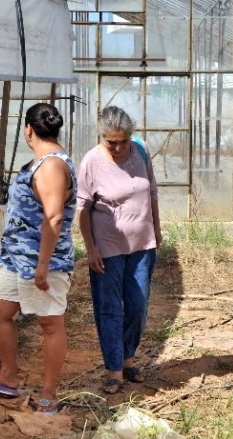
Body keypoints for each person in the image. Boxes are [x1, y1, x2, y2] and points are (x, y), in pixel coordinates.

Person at [0, 103, 77, 415]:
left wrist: (43, 264)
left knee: (49, 322)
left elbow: (54, 218)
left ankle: (49, 393)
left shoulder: (53, 166)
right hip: (19, 257)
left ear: (28, 129)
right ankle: (8, 375)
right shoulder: (41, 162)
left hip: (41, 262)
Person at [77, 106, 162, 395]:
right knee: (110, 307)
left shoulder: (141, 150)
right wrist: (91, 249)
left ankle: (128, 358)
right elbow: (83, 208)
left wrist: (157, 230)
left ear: (131, 136)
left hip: (142, 244)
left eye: (122, 141)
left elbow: (151, 193)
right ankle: (114, 369)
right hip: (108, 247)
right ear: (102, 137)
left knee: (137, 307)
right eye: (110, 142)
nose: (117, 147)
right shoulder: (91, 161)